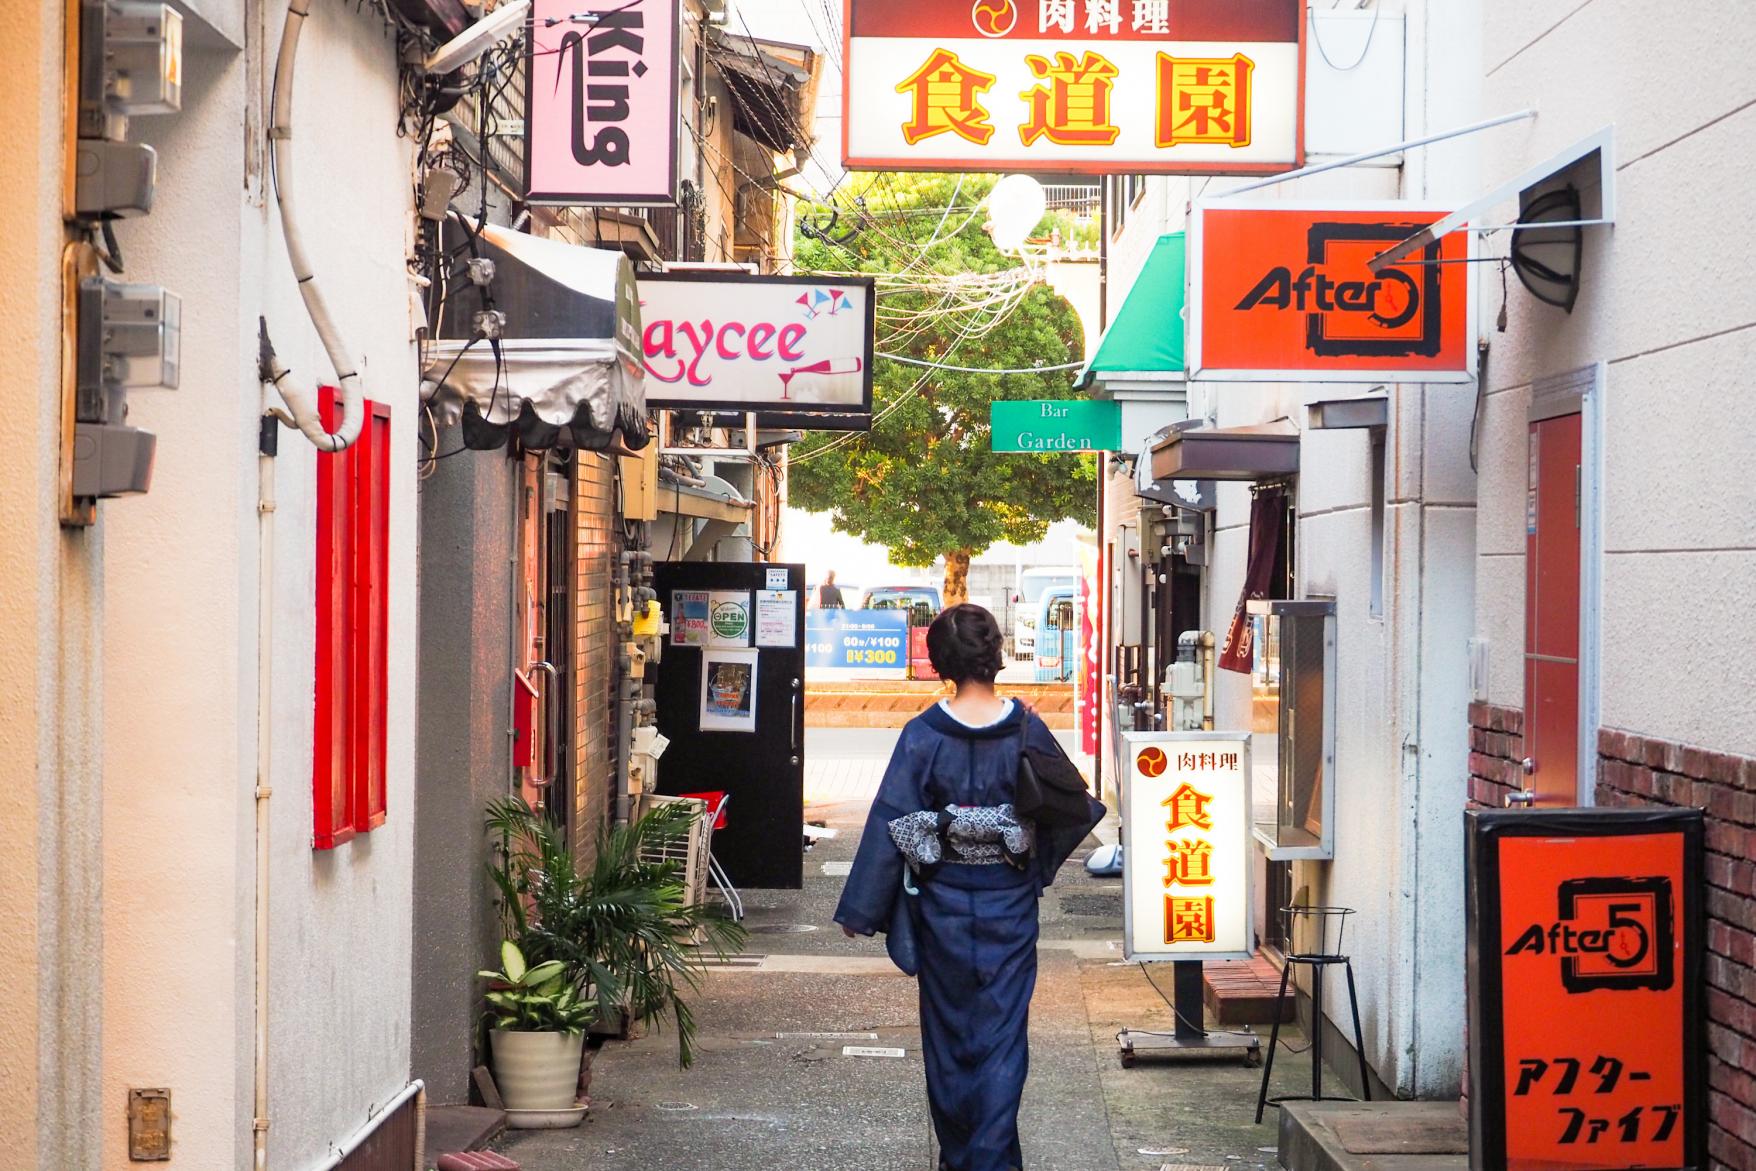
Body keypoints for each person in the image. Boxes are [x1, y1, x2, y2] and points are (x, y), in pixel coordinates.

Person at [834, 604, 1104, 1171]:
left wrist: (861, 906)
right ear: (996, 655)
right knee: (1004, 1037)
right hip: (1007, 904)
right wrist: (1031, 863)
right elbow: (1071, 808)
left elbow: (892, 818)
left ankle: (965, 1159)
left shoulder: (924, 735)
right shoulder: (1027, 728)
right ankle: (992, 1160)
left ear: (939, 664)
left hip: (943, 905)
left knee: (949, 1038)